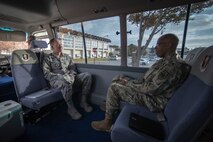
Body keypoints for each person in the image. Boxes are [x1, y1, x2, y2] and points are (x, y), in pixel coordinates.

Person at [91, 33, 190, 131]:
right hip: (147, 90)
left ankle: (107, 123)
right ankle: (110, 106)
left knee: (114, 87)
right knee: (118, 77)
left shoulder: (173, 66)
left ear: (168, 45)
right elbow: (146, 80)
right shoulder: (163, 61)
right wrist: (127, 81)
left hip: (154, 100)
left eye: (158, 44)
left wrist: (128, 83)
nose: (155, 47)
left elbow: (151, 90)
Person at [42, 38, 93, 120]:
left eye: (61, 44)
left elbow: (73, 69)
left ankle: (83, 101)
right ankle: (71, 108)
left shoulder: (67, 56)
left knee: (87, 75)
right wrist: (60, 76)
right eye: (57, 45)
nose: (60, 46)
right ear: (52, 47)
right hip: (56, 80)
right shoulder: (48, 58)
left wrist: (71, 76)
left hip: (70, 77)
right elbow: (46, 73)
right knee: (65, 80)